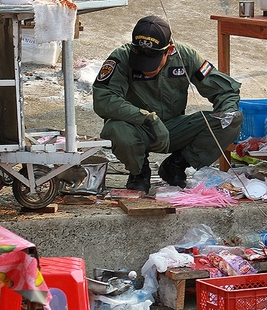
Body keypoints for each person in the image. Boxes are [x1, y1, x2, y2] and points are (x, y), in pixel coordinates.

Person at [93, 16, 243, 193]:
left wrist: (226, 110)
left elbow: (225, 90)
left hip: (174, 129)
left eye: (153, 61)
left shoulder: (186, 57)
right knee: (116, 129)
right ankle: (139, 172)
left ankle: (176, 165)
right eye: (140, 60)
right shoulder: (121, 57)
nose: (145, 68)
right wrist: (147, 118)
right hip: (136, 128)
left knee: (230, 121)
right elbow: (103, 99)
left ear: (169, 50)